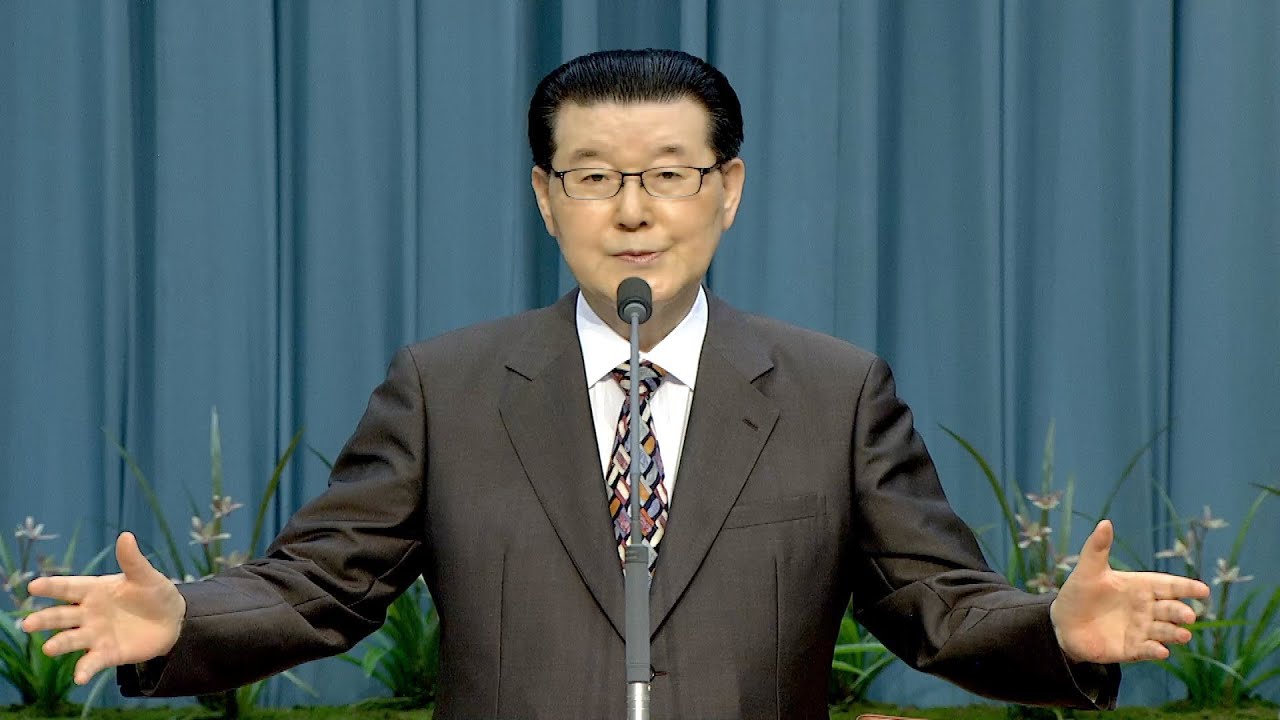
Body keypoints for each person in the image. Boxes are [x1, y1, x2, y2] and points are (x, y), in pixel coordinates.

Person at [22, 49, 1208, 719]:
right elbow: (320, 587)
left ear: (726, 189)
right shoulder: (446, 389)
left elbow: (936, 605)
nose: (631, 211)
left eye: (668, 174)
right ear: (545, 199)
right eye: (592, 177)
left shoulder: (834, 392)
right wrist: (183, 621)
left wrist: (1054, 631)